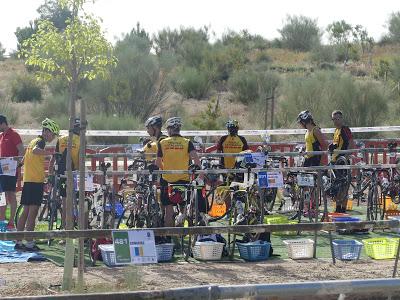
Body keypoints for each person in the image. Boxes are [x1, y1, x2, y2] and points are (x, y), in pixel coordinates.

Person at [15, 118, 60, 251]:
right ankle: (29, 242)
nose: (53, 137)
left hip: (28, 180)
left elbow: (25, 158)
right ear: (46, 132)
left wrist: (19, 165)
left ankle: (18, 241)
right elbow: (35, 151)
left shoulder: (32, 140)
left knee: (25, 211)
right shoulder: (40, 142)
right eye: (53, 134)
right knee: (32, 212)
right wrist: (51, 154)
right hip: (35, 182)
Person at [156, 117, 203, 228]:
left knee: (168, 210)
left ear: (169, 130)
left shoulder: (162, 142)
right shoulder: (187, 142)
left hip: (167, 181)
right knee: (184, 206)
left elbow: (158, 163)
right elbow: (196, 161)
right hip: (183, 180)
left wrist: (165, 171)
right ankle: (183, 234)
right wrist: (200, 175)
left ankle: (170, 237)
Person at [49, 118, 81, 230]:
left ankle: (64, 227)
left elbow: (54, 157)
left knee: (65, 201)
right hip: (75, 174)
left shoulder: (61, 139)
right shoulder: (80, 140)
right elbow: (82, 159)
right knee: (75, 202)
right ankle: (70, 228)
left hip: (61, 174)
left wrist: (50, 173)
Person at [0, 115, 24, 231]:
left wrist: (18, 163)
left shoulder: (14, 134)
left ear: (3, 123)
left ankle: (11, 222)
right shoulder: (1, 136)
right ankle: (2, 221)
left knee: (11, 195)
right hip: (2, 170)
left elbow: (21, 149)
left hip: (10, 170)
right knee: (2, 196)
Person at [329, 110, 354, 213]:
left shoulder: (345, 129)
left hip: (342, 162)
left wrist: (346, 157)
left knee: (344, 187)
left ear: (341, 119)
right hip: (335, 162)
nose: (335, 121)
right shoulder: (336, 130)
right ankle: (338, 208)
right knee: (336, 187)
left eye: (337, 119)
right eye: (334, 119)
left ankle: (343, 209)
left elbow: (351, 143)